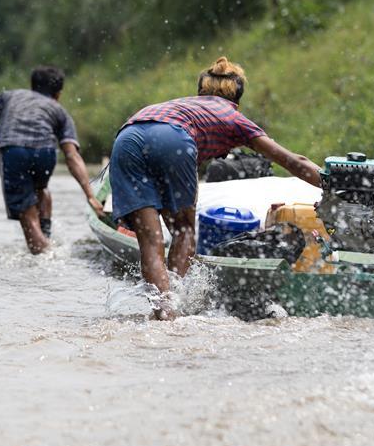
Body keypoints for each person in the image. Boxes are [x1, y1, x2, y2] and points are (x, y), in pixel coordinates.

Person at [109, 56, 322, 319]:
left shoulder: (183, 105)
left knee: (151, 243)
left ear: (201, 92)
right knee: (184, 231)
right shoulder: (234, 117)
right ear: (237, 100)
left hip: (127, 138)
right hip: (172, 138)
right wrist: (333, 183)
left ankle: (163, 313)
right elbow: (293, 161)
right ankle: (176, 306)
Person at [0, 65, 104, 254]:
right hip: (45, 153)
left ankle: (44, 254)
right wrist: (90, 196)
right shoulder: (60, 111)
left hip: (13, 151)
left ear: (32, 86)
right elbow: (72, 156)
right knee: (41, 189)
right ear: (58, 94)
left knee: (27, 216)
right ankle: (46, 237)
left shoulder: (10, 97)